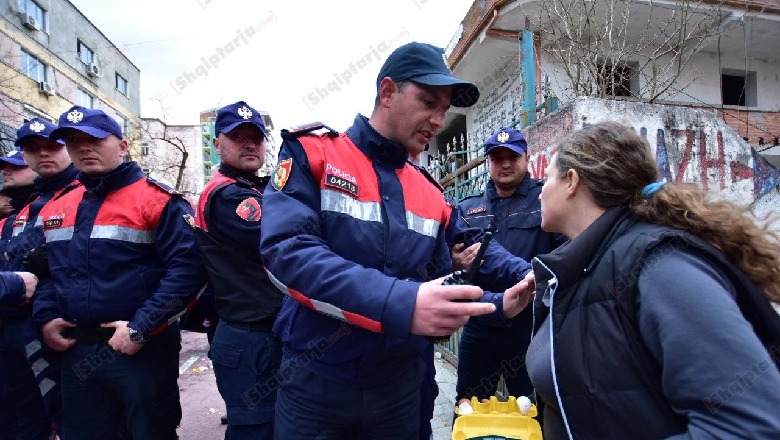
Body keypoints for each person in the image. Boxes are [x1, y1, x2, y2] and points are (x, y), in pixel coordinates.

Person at [259, 41, 535, 440]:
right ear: (387, 92)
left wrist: (523, 282)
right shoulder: (315, 155)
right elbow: (287, 254)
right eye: (428, 102)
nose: (438, 120)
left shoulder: (430, 191)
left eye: (444, 109)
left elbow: (478, 246)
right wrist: (401, 303)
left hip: (400, 389)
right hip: (317, 383)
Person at [526, 121, 780, 439]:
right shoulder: (588, 266)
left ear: (571, 182)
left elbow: (749, 426)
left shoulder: (661, 266)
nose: (539, 192)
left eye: (546, 178)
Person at [32, 105, 206, 440]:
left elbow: (188, 272)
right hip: (77, 350)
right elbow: (49, 272)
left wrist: (141, 329)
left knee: (148, 432)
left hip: (139, 351)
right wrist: (46, 316)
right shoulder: (58, 206)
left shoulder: (157, 200)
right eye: (72, 141)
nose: (83, 148)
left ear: (123, 146)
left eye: (94, 139)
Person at [453, 127, 565, 412]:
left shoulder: (545, 199)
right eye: (497, 157)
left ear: (526, 158)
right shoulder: (469, 208)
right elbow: (450, 264)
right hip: (481, 323)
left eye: (512, 157)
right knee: (469, 407)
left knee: (531, 408)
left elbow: (565, 256)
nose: (504, 164)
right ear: (488, 162)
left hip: (529, 328)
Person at [194, 101, 282, 439]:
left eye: (256, 138)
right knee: (256, 429)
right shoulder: (230, 195)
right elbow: (284, 239)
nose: (249, 144)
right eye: (237, 137)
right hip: (252, 338)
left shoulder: (252, 188)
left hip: (258, 334)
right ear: (217, 145)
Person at [0, 118, 80, 438]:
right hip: (16, 332)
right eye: (32, 148)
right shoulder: (25, 209)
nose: (43, 154)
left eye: (52, 146)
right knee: (23, 416)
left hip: (62, 329)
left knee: (69, 416)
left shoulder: (86, 194)